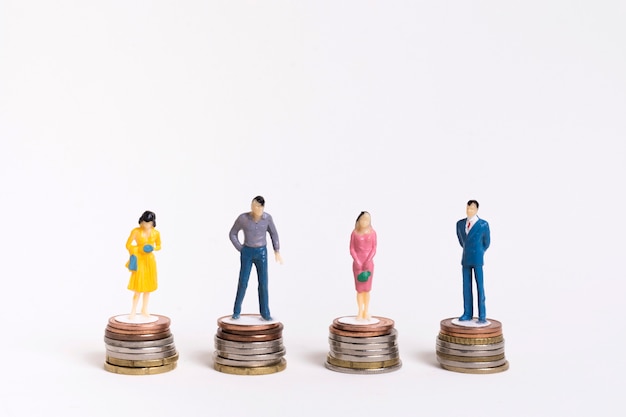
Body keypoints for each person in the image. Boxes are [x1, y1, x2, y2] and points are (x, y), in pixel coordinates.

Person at [229, 196, 282, 321]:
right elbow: (232, 233)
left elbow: (274, 234)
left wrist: (277, 250)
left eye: (258, 206)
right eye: (253, 205)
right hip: (247, 252)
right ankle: (236, 311)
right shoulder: (243, 218)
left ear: (262, 207)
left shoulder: (267, 218)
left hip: (261, 252)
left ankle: (265, 313)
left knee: (263, 283)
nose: (255, 208)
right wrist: (240, 248)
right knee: (243, 282)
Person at [456, 200, 490, 323]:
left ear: (476, 210)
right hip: (465, 258)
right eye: (467, 208)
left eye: (472, 209)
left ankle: (482, 315)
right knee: (466, 287)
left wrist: (479, 252)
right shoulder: (460, 224)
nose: (469, 211)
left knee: (480, 287)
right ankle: (467, 313)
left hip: (477, 258)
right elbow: (461, 241)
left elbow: (487, 243)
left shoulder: (483, 224)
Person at [126, 211, 161, 319]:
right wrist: (137, 249)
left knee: (147, 288)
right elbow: (128, 244)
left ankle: (144, 309)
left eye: (149, 223)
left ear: (153, 223)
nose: (146, 225)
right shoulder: (136, 231)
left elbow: (159, 245)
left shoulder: (156, 233)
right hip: (139, 260)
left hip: (149, 260)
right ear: (141, 222)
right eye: (144, 223)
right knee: (138, 287)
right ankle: (133, 310)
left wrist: (153, 248)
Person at [350, 211, 377, 320]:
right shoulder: (354, 233)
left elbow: (374, 248)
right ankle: (360, 311)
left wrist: (368, 259)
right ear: (358, 220)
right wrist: (357, 260)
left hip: (368, 262)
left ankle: (366, 310)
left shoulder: (372, 233)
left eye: (367, 220)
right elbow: (351, 248)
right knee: (359, 289)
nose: (364, 222)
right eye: (362, 219)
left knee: (367, 288)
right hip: (358, 263)